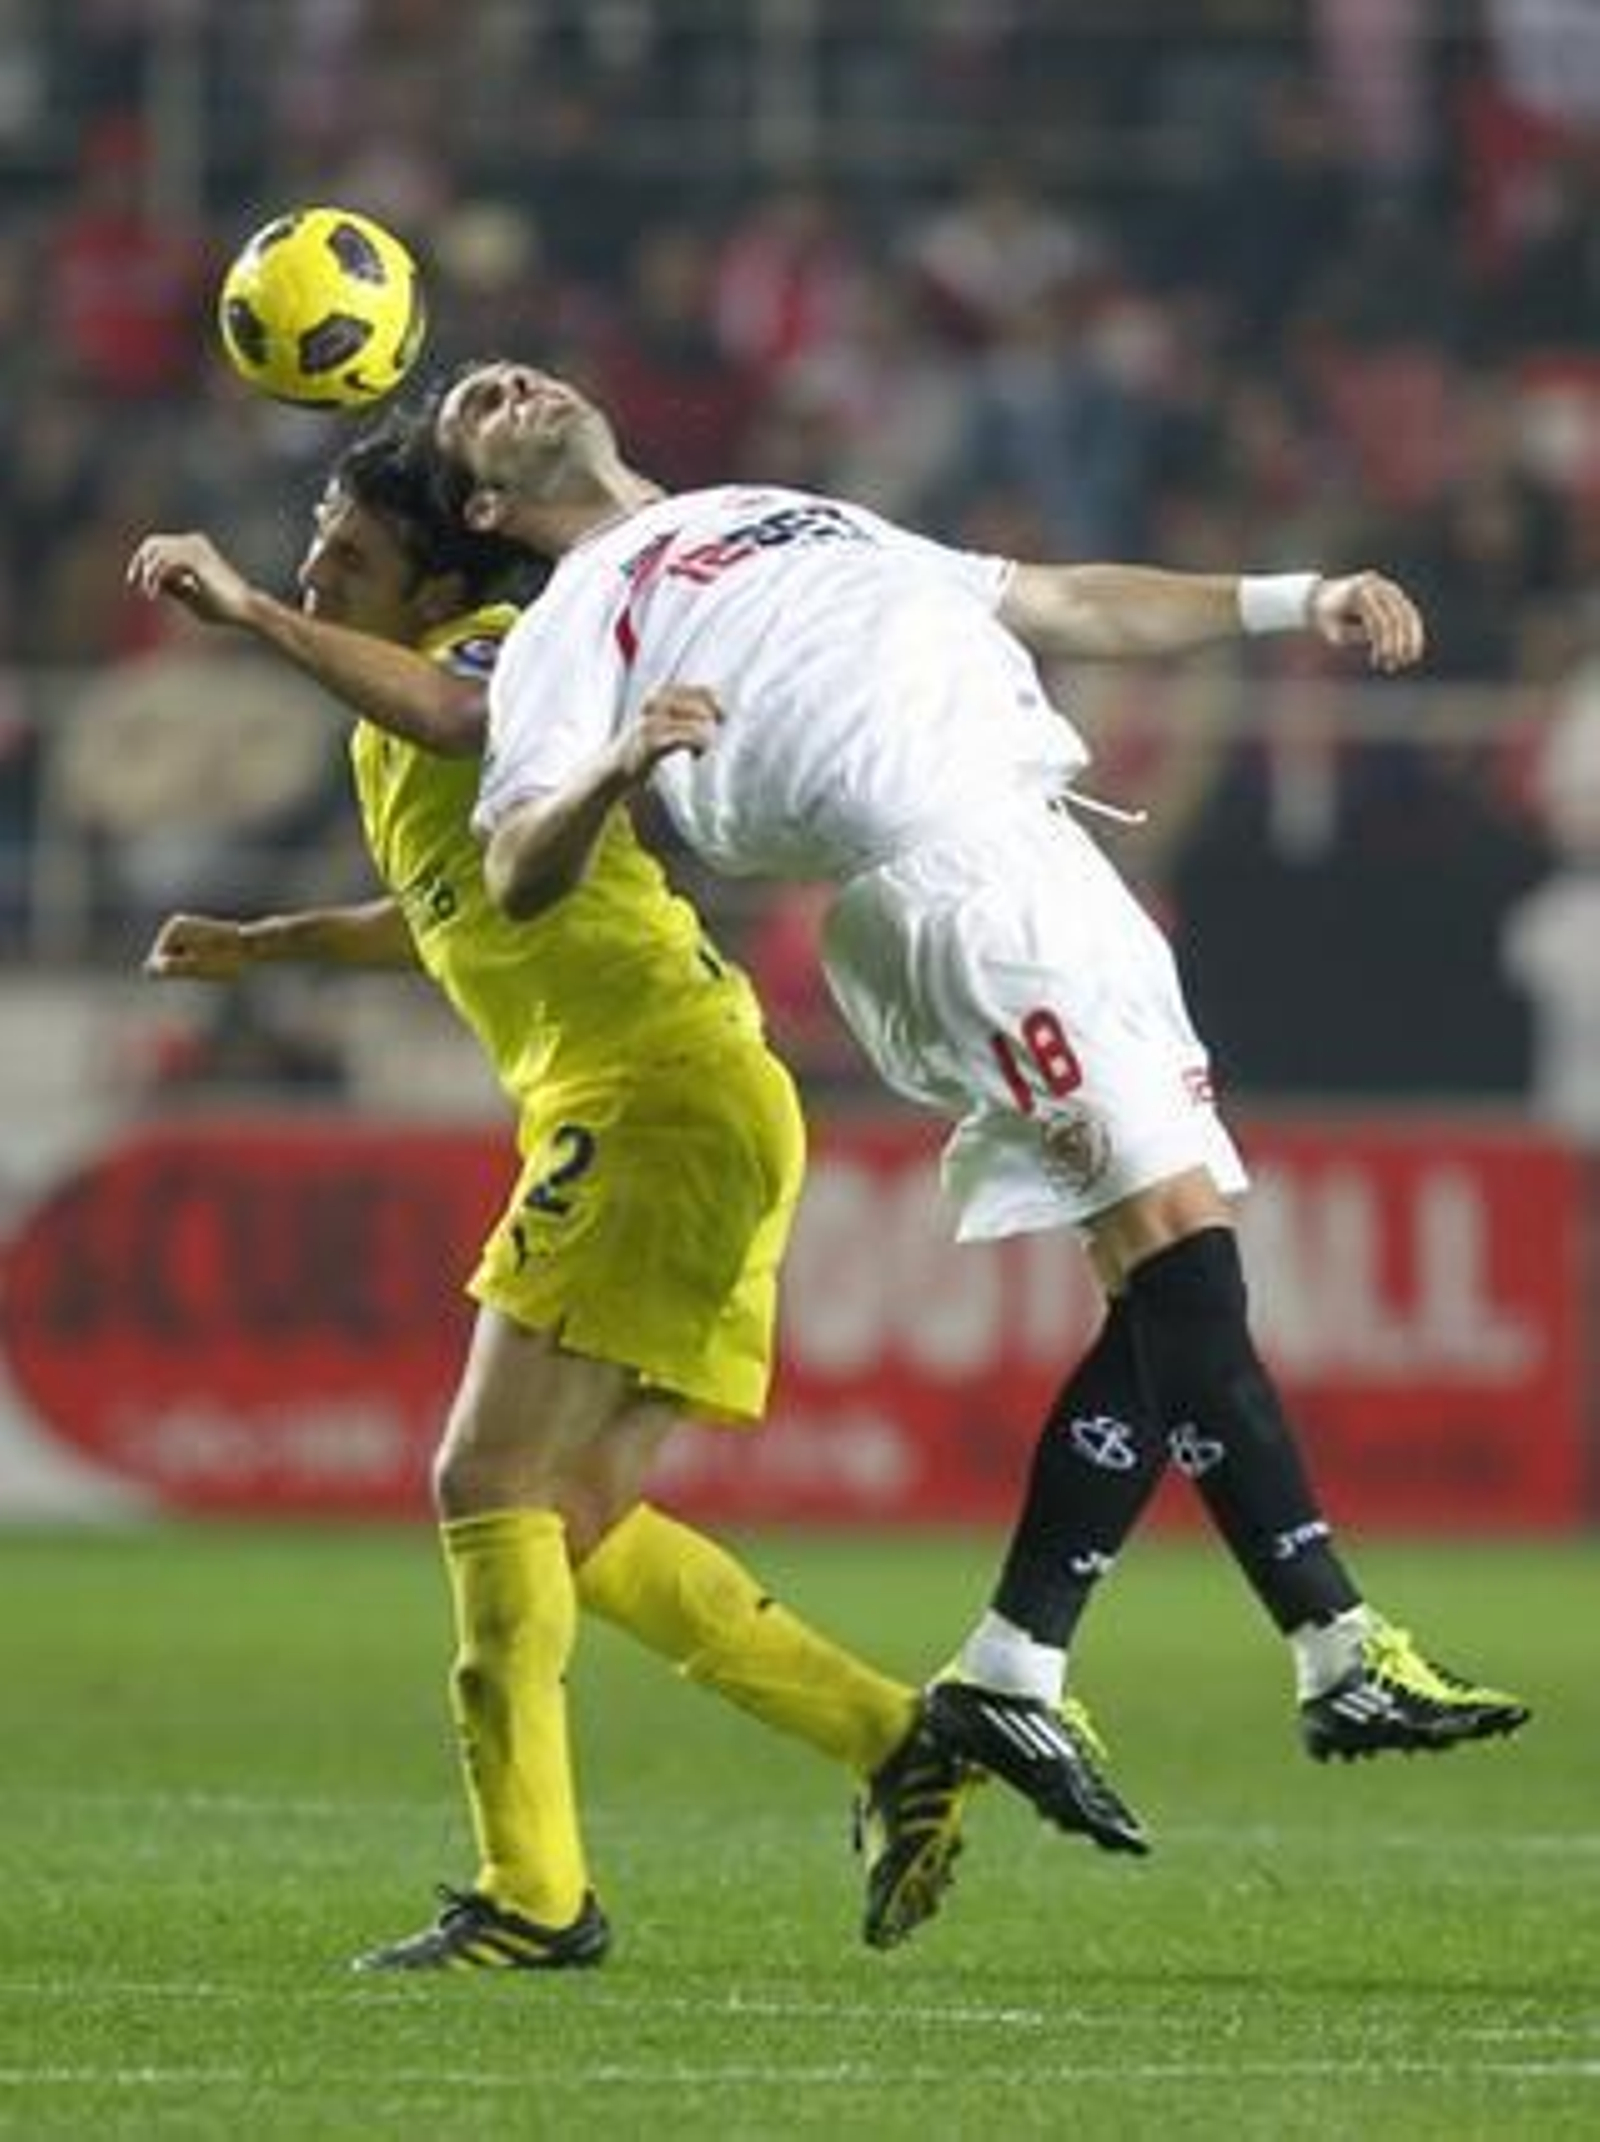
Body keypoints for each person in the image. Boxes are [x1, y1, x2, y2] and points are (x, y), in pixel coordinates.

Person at [424, 358, 1530, 1833]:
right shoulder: (574, 620)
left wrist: (1290, 598)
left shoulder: (779, 510)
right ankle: (1328, 1642)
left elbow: (1064, 602)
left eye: (511, 371)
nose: (505, 379)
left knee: (1173, 1278)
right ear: (492, 503)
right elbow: (514, 867)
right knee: (1180, 1252)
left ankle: (1033, 1660)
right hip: (949, 884)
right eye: (473, 412)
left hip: (1047, 856)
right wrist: (623, 760)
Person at [126, 420, 992, 1974]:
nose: (320, 565)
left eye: (352, 554)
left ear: (446, 576)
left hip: (653, 1095)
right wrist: (273, 944)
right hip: (684, 1093)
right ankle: (896, 1739)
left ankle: (530, 1894)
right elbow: (455, 910)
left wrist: (254, 614)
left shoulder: (499, 647)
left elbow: (464, 719)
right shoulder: (384, 721)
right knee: (573, 1520)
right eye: (315, 544)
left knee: (485, 1483)